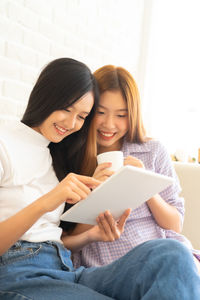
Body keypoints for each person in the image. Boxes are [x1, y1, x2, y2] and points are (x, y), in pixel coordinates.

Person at [0, 58, 200, 300]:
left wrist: (91, 236)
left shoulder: (55, 154)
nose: (71, 123)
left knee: (173, 254)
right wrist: (49, 200)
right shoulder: (6, 143)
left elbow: (54, 237)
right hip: (21, 271)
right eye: (66, 108)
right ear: (46, 96)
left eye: (82, 116)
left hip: (65, 268)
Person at [67, 65, 200, 274]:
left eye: (121, 115)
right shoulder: (73, 156)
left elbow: (174, 224)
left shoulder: (152, 151)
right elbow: (65, 238)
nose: (109, 124)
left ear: (133, 114)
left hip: (160, 254)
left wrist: (144, 185)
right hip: (107, 266)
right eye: (101, 112)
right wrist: (96, 195)